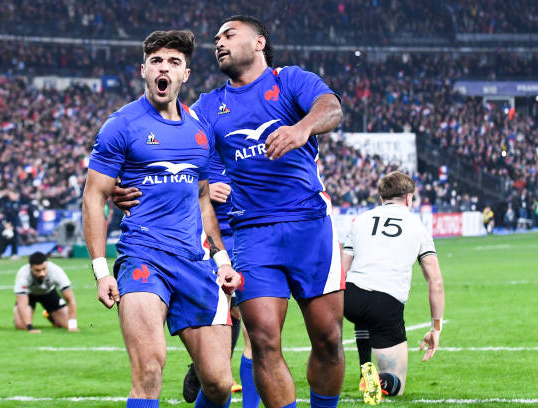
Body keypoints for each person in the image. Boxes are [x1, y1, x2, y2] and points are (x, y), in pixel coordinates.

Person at [113, 15, 345, 408]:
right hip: (253, 235)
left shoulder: (289, 81)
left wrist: (302, 128)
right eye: (216, 37)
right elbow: (172, 144)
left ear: (258, 43)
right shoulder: (208, 107)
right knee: (265, 341)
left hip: (310, 225)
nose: (218, 42)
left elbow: (331, 107)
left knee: (328, 338)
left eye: (229, 35)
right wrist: (125, 183)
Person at [81, 30, 241, 408]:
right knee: (150, 369)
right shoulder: (120, 125)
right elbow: (94, 196)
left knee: (218, 384)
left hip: (194, 262)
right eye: (156, 61)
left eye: (173, 62)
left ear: (186, 74)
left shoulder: (200, 130)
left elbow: (203, 201)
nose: (163, 68)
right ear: (143, 70)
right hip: (143, 258)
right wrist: (101, 270)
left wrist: (222, 261)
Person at [341, 171, 445, 405]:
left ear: (381, 199)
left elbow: (342, 269)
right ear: (409, 199)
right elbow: (435, 281)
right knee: (397, 384)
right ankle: (380, 379)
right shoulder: (417, 226)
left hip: (350, 297)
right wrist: (435, 328)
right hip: (385, 303)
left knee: (363, 311)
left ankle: (363, 368)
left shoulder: (361, 221)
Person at [182, 152, 260, 408]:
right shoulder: (198, 147)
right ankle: (203, 365)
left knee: (255, 332)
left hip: (249, 241)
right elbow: (170, 184)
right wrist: (201, 191)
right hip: (209, 246)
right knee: (224, 317)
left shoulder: (252, 149)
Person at [13, 251, 79, 333]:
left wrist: (73, 326)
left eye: (44, 269)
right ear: (31, 268)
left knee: (66, 324)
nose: (42, 273)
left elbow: (70, 299)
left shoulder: (56, 271)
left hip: (49, 293)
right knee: (21, 326)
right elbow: (22, 303)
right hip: (30, 295)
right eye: (37, 270)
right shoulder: (23, 274)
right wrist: (30, 327)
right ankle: (29, 321)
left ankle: (48, 314)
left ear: (47, 264)